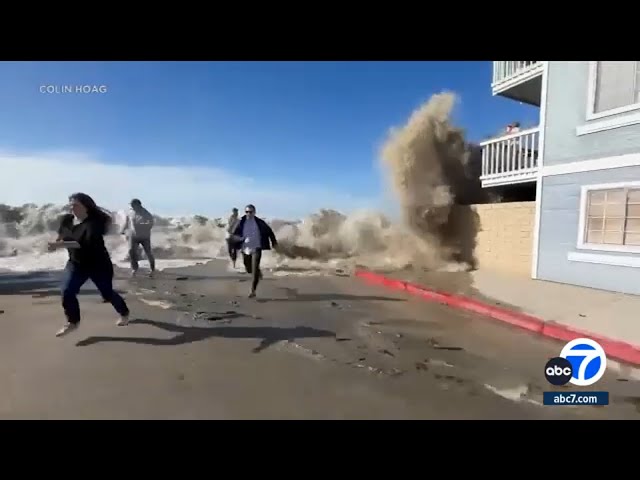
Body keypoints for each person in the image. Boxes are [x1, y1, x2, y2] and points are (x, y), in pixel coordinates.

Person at [48, 193, 130, 337]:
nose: (72, 208)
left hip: (98, 264)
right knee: (67, 291)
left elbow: (82, 244)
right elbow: (62, 235)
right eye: (71, 205)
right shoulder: (67, 220)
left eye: (76, 205)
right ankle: (72, 322)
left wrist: (59, 244)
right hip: (76, 263)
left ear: (86, 206)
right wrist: (55, 243)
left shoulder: (94, 223)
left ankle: (124, 312)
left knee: (107, 293)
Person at [57, 213, 109, 303]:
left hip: (83, 259)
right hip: (79, 260)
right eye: (72, 220)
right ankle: (106, 296)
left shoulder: (69, 230)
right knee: (99, 282)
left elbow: (62, 242)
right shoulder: (71, 230)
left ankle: (107, 296)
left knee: (100, 283)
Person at [232, 204, 278, 298]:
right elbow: (234, 234)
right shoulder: (241, 222)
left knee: (255, 269)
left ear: (254, 212)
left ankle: (253, 291)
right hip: (245, 249)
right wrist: (236, 241)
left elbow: (270, 232)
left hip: (257, 248)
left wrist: (274, 242)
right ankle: (257, 272)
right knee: (248, 268)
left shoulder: (260, 222)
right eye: (247, 212)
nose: (249, 214)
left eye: (250, 212)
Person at [121, 198, 156, 277]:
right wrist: (122, 230)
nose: (131, 206)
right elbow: (127, 222)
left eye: (133, 205)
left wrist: (143, 226)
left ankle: (152, 268)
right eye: (131, 205)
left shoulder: (146, 213)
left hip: (144, 236)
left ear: (138, 205)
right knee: (131, 251)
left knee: (148, 252)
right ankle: (135, 268)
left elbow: (150, 223)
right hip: (133, 236)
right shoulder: (130, 212)